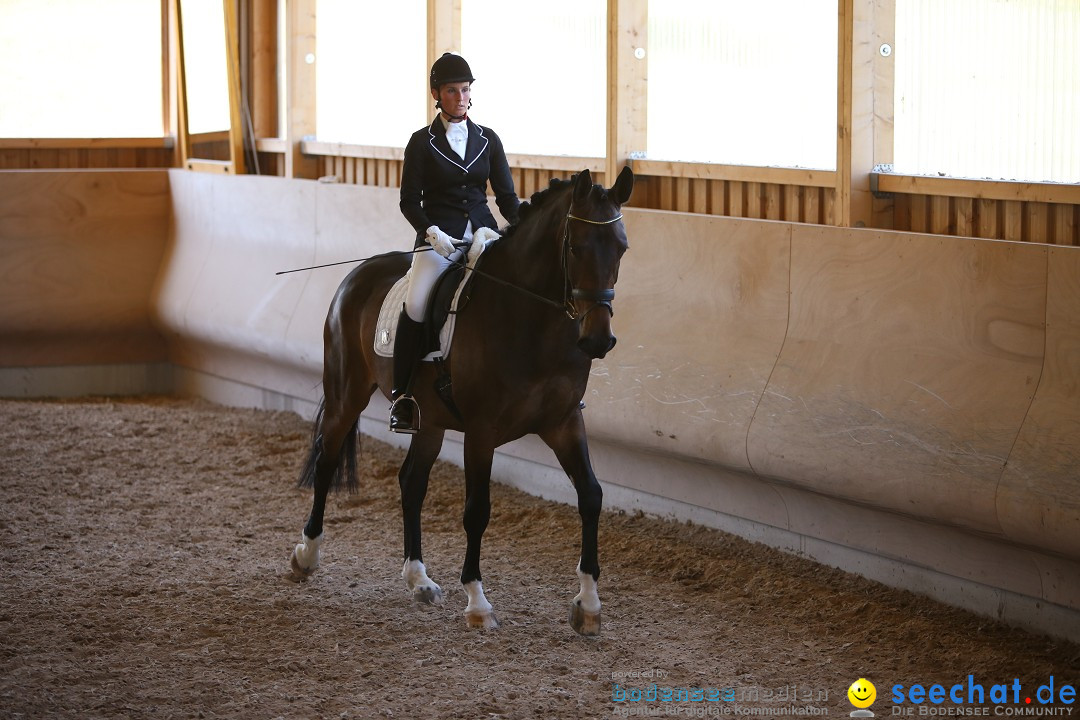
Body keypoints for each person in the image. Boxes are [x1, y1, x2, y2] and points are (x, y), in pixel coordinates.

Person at [391, 52, 521, 434]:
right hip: (440, 239)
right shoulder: (420, 142)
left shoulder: (488, 139)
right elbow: (408, 201)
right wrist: (432, 233)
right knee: (415, 303)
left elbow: (508, 199)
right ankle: (403, 395)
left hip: (483, 234)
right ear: (437, 93)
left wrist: (525, 226)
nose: (461, 97)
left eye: (465, 90)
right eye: (452, 91)